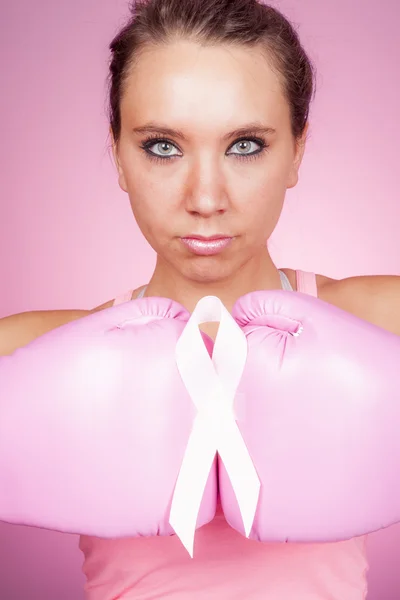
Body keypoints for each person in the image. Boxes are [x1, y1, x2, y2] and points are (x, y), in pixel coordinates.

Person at [1, 0, 399, 598]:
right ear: (117, 153)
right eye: (163, 146)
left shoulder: (381, 323)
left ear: (298, 148)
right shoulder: (32, 353)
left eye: (245, 145)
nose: (206, 198)